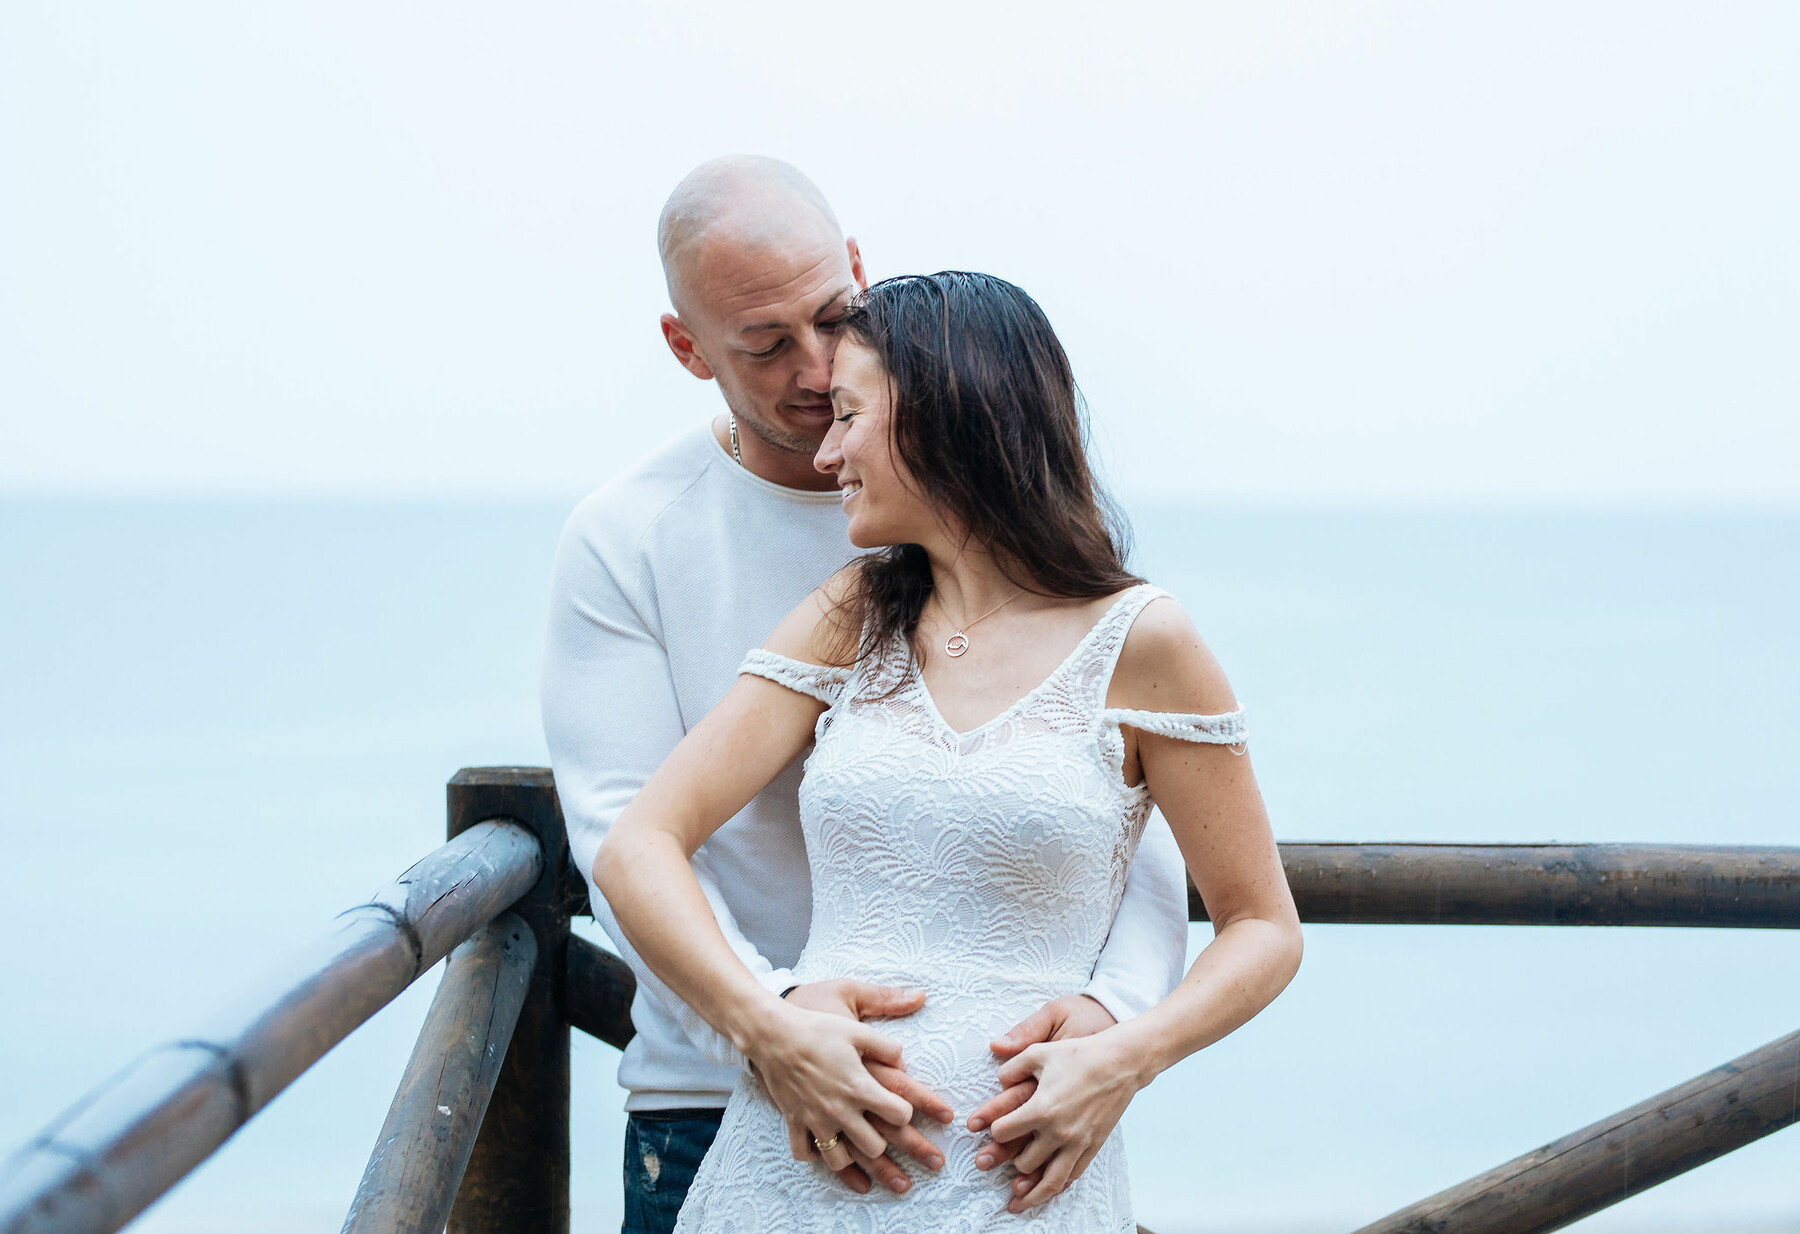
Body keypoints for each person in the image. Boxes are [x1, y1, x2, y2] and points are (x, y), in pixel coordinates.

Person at [541, 158, 1194, 1234]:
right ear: (686, 347)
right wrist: (775, 1025)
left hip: (989, 1114)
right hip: (716, 1094)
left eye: (831, 317)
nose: (810, 367)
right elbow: (623, 830)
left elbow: (1121, 804)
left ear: (858, 269)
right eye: (763, 344)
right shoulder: (628, 537)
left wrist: (1112, 1024)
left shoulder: (1003, 526)